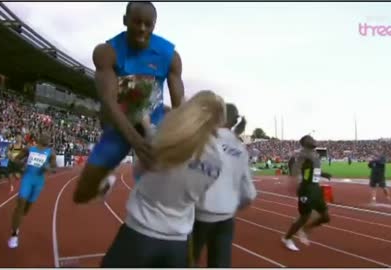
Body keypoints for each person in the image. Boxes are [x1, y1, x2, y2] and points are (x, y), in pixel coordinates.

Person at [73, 1, 185, 204]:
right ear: (125, 21)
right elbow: (108, 101)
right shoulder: (107, 52)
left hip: (154, 125)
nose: (142, 28)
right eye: (137, 22)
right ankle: (104, 183)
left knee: (165, 192)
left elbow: (180, 107)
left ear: (154, 25)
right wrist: (135, 141)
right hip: (118, 125)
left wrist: (178, 136)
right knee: (82, 194)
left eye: (148, 24)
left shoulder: (170, 56)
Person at [100, 90, 225, 268]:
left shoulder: (165, 137)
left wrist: (145, 123)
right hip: (178, 245)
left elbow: (139, 169)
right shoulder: (218, 160)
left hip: (138, 235)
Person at [191, 103, 256, 267]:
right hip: (226, 219)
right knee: (220, 264)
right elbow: (249, 193)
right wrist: (231, 203)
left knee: (188, 261)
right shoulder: (240, 149)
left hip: (198, 216)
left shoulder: (204, 139)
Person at [282, 135, 332, 252]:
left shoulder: (314, 154)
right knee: (305, 216)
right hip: (306, 189)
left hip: (316, 188)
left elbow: (313, 170)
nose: (313, 140)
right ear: (305, 143)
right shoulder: (302, 155)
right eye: (310, 139)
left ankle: (304, 229)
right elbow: (295, 170)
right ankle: (287, 238)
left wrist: (323, 174)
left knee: (325, 217)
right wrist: (292, 181)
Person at [7, 133, 57, 249]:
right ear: (38, 138)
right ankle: (14, 234)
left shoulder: (51, 153)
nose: (46, 137)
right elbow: (17, 160)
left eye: (48, 136)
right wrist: (22, 165)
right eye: (43, 135)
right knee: (20, 204)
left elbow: (54, 169)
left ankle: (17, 221)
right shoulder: (29, 149)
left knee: (26, 208)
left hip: (38, 182)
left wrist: (48, 168)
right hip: (28, 179)